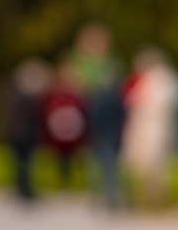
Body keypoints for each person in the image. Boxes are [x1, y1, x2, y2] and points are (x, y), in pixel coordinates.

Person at [67, 23, 125, 210]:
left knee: (106, 156)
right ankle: (100, 194)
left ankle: (108, 194)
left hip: (105, 115)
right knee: (96, 157)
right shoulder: (81, 63)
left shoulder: (109, 65)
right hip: (90, 116)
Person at [121, 47, 178, 207]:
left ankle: (153, 195)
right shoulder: (163, 80)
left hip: (153, 128)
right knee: (149, 164)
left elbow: (139, 102)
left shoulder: (159, 80)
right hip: (151, 127)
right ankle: (148, 195)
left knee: (154, 163)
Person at [7, 58, 51, 200]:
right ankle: (24, 190)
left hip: (18, 135)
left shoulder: (18, 95)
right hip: (24, 136)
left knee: (22, 164)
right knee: (24, 165)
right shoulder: (28, 99)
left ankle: (22, 189)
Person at [41, 60, 87, 188]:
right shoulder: (54, 93)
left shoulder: (76, 94)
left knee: (70, 155)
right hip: (58, 129)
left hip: (72, 129)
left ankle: (67, 177)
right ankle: (62, 177)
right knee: (58, 155)